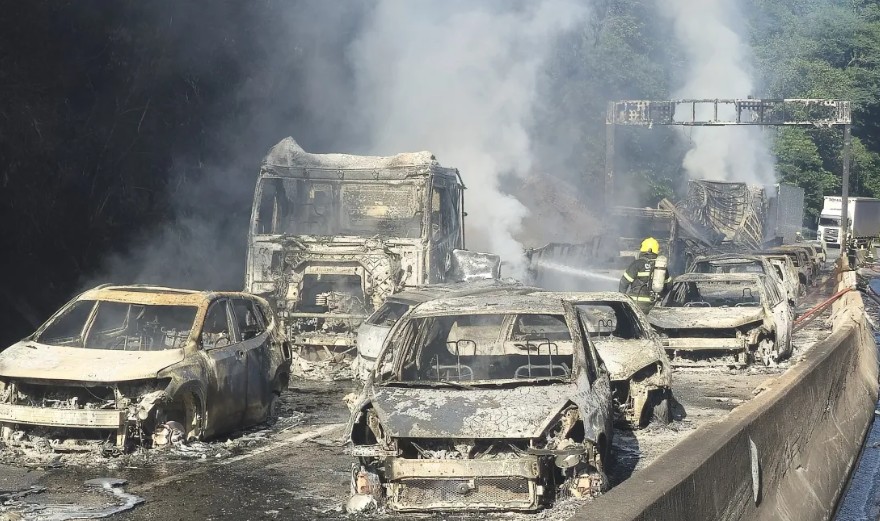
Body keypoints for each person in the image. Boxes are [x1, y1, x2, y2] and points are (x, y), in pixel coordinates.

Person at [619, 237, 671, 312]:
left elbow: (624, 282)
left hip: (636, 304)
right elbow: (669, 284)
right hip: (653, 304)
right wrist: (661, 296)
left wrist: (622, 301)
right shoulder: (661, 266)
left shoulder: (637, 264)